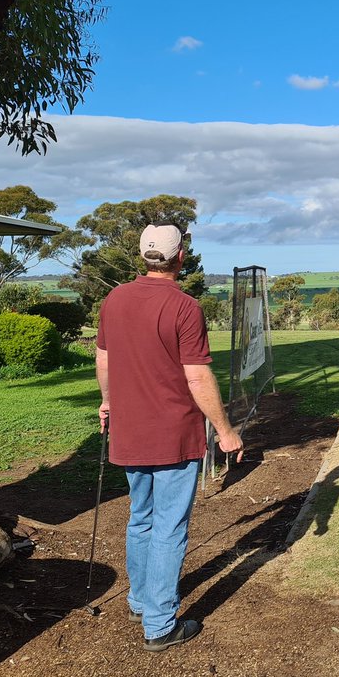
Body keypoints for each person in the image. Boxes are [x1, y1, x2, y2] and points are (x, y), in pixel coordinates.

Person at [96, 223, 244, 651]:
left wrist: (108, 402)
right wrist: (225, 430)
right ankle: (160, 624)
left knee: (141, 517)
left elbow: (103, 358)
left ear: (143, 257)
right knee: (169, 527)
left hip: (129, 429)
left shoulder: (114, 299)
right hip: (173, 434)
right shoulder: (185, 306)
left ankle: (141, 600)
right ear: (182, 257)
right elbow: (196, 376)